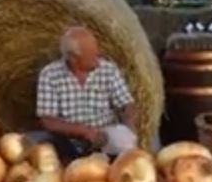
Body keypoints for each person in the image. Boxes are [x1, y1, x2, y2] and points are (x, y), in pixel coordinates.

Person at [34, 27, 138, 161]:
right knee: (44, 147)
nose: (97, 58)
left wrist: (129, 126)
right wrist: (84, 132)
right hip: (68, 141)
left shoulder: (108, 70)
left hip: (105, 137)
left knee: (124, 144)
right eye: (92, 56)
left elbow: (126, 104)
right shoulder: (50, 75)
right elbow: (48, 120)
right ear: (73, 58)